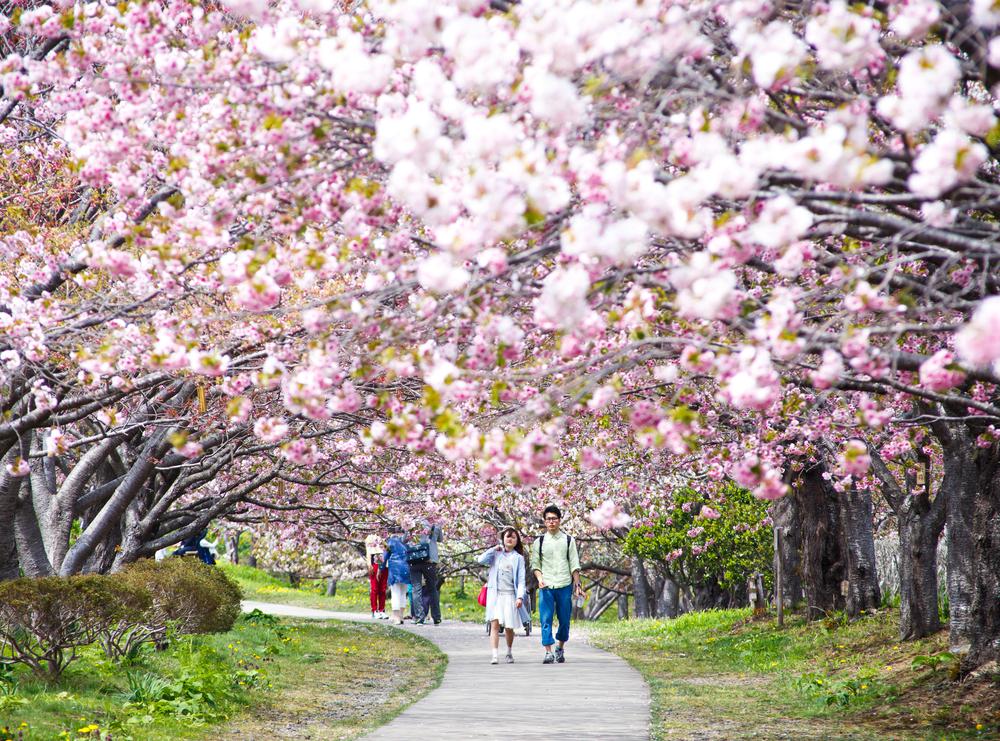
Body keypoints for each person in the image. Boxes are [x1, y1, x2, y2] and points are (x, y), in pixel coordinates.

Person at [529, 505, 583, 665]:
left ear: (559, 520)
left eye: (554, 519)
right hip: (546, 585)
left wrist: (577, 584)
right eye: (548, 519)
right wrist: (539, 578)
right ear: (544, 522)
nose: (551, 522)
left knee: (564, 620)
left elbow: (574, 563)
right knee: (545, 619)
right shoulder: (539, 541)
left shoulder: (568, 540)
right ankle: (548, 652)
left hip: (564, 584)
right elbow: (535, 564)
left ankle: (560, 647)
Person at [478, 526, 531, 664]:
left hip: (510, 596)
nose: (510, 539)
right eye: (508, 536)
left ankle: (508, 651)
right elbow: (480, 560)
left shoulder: (518, 558)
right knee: (494, 625)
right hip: (496, 595)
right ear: (503, 538)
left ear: (516, 541)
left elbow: (521, 580)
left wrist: (520, 597)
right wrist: (493, 549)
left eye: (513, 537)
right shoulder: (496, 554)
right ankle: (494, 655)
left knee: (509, 627)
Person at [410, 519, 444, 625]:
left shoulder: (412, 520)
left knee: (416, 589)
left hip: (414, 558)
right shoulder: (437, 523)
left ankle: (419, 617)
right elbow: (440, 539)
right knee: (432, 589)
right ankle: (436, 617)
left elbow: (404, 539)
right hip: (430, 560)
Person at [383, 530, 411, 625]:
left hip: (395, 568)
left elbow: (385, 556)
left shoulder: (391, 541)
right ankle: (401, 615)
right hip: (406, 567)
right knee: (403, 593)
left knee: (395, 593)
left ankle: (396, 617)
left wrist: (381, 567)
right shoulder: (408, 541)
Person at [365, 534, 388, 620]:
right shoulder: (370, 537)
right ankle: (374, 610)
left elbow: (387, 550)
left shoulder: (385, 538)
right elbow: (368, 553)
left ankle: (382, 610)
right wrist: (369, 564)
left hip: (384, 565)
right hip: (375, 564)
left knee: (383, 589)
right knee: (374, 588)